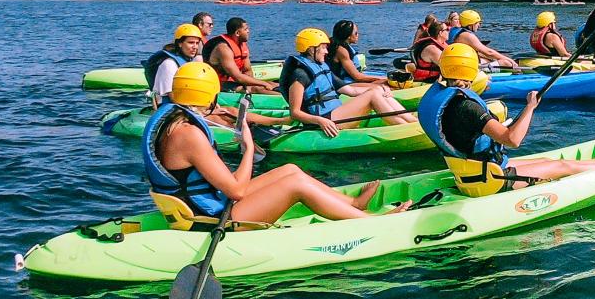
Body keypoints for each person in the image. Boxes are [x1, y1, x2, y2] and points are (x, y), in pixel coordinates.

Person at [144, 61, 407, 222]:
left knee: (290, 170)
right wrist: (247, 147)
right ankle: (369, 220)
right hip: (214, 218)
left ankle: (352, 204)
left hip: (209, 203)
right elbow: (236, 191)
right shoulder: (188, 134)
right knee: (294, 185)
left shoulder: (172, 120)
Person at [418, 44, 595, 191]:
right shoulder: (466, 107)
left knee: (548, 161)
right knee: (562, 168)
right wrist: (530, 107)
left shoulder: (438, 95)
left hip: (470, 172)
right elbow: (513, 140)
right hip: (487, 182)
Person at [283, 28, 415, 137]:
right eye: (323, 47)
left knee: (376, 91)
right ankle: (407, 128)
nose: (327, 51)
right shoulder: (300, 75)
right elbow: (295, 113)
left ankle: (412, 121)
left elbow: (351, 91)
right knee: (372, 95)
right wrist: (320, 120)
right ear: (311, 49)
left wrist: (382, 88)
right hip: (324, 121)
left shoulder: (321, 67)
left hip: (335, 114)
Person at [202, 17, 276, 92]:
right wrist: (262, 84)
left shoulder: (242, 45)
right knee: (257, 89)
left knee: (271, 84)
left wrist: (260, 84)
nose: (248, 31)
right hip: (218, 84)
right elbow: (238, 77)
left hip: (233, 82)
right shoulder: (223, 48)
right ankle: (284, 101)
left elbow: (247, 70)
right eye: (246, 29)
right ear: (237, 33)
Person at [145, 23, 206, 106]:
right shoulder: (169, 64)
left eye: (197, 43)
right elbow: (172, 97)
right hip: (167, 107)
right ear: (180, 44)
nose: (195, 47)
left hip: (182, 105)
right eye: (191, 42)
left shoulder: (188, 62)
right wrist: (197, 110)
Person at [327, 20, 390, 92]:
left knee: (385, 80)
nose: (358, 35)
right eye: (356, 33)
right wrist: (385, 78)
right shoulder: (341, 50)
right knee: (385, 84)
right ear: (348, 36)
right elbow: (357, 77)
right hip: (341, 83)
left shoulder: (341, 45)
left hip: (348, 78)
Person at [448, 9, 520, 69]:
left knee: (487, 60)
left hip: (462, 63)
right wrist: (510, 60)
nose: (479, 25)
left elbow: (483, 53)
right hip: (466, 67)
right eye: (477, 23)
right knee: (506, 63)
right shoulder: (467, 36)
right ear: (470, 25)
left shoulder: (455, 31)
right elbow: (489, 52)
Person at [408, 18, 449, 83]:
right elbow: (448, 66)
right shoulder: (432, 49)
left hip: (434, 79)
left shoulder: (441, 44)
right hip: (426, 82)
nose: (449, 31)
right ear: (440, 33)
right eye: (447, 29)